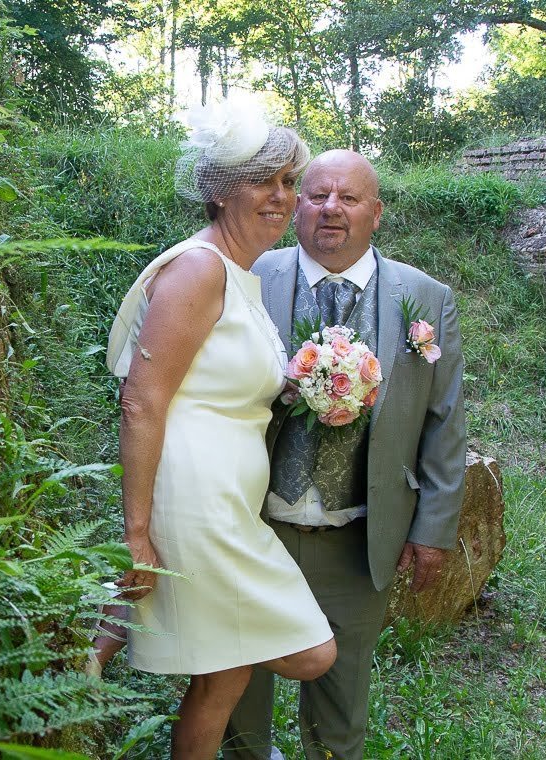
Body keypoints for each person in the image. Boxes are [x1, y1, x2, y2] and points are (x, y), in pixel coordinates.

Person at [103, 102, 338, 760]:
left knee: (226, 676)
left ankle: (100, 629)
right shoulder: (200, 268)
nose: (282, 196)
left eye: (289, 181)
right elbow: (143, 402)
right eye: (263, 179)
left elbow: (220, 383)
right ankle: (103, 619)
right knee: (311, 652)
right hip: (196, 502)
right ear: (216, 191)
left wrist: (309, 386)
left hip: (229, 501)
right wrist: (138, 533)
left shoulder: (240, 275)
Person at [223, 150, 466, 760]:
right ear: (297, 206)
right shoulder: (244, 275)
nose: (332, 208)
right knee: (236, 686)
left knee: (341, 698)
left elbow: (442, 425)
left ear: (375, 213)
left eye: (349, 198)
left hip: (359, 536)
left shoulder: (426, 300)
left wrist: (433, 529)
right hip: (252, 528)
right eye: (317, 194)